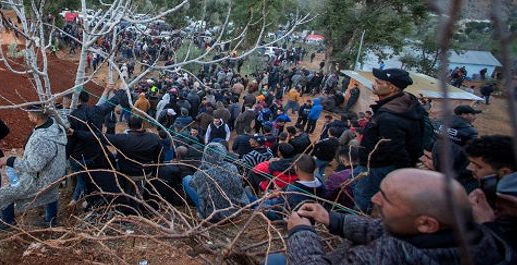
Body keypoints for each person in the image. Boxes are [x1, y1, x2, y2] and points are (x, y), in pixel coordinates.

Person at [267, 169, 514, 265]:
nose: (374, 199)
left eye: (386, 197)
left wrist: (301, 233)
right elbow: (384, 228)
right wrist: (335, 220)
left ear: (426, 223)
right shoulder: (470, 236)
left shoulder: (391, 257)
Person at [0, 104, 68, 232]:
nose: (27, 115)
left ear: (36, 117)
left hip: (43, 178)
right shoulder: (54, 124)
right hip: (56, 173)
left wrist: (9, 160)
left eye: (29, 113)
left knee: (4, 194)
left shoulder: (41, 139)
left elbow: (34, 166)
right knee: (51, 194)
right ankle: (50, 220)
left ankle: (8, 224)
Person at [354, 68, 424, 212]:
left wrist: (404, 173)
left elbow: (396, 148)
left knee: (363, 195)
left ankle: (358, 219)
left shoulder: (390, 117)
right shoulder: (405, 102)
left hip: (377, 166)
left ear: (392, 88)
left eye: (379, 82)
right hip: (378, 163)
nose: (374, 84)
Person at [182, 143, 248, 220]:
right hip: (235, 210)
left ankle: (202, 212)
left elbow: (193, 184)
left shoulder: (201, 173)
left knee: (186, 179)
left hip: (214, 215)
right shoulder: (232, 167)